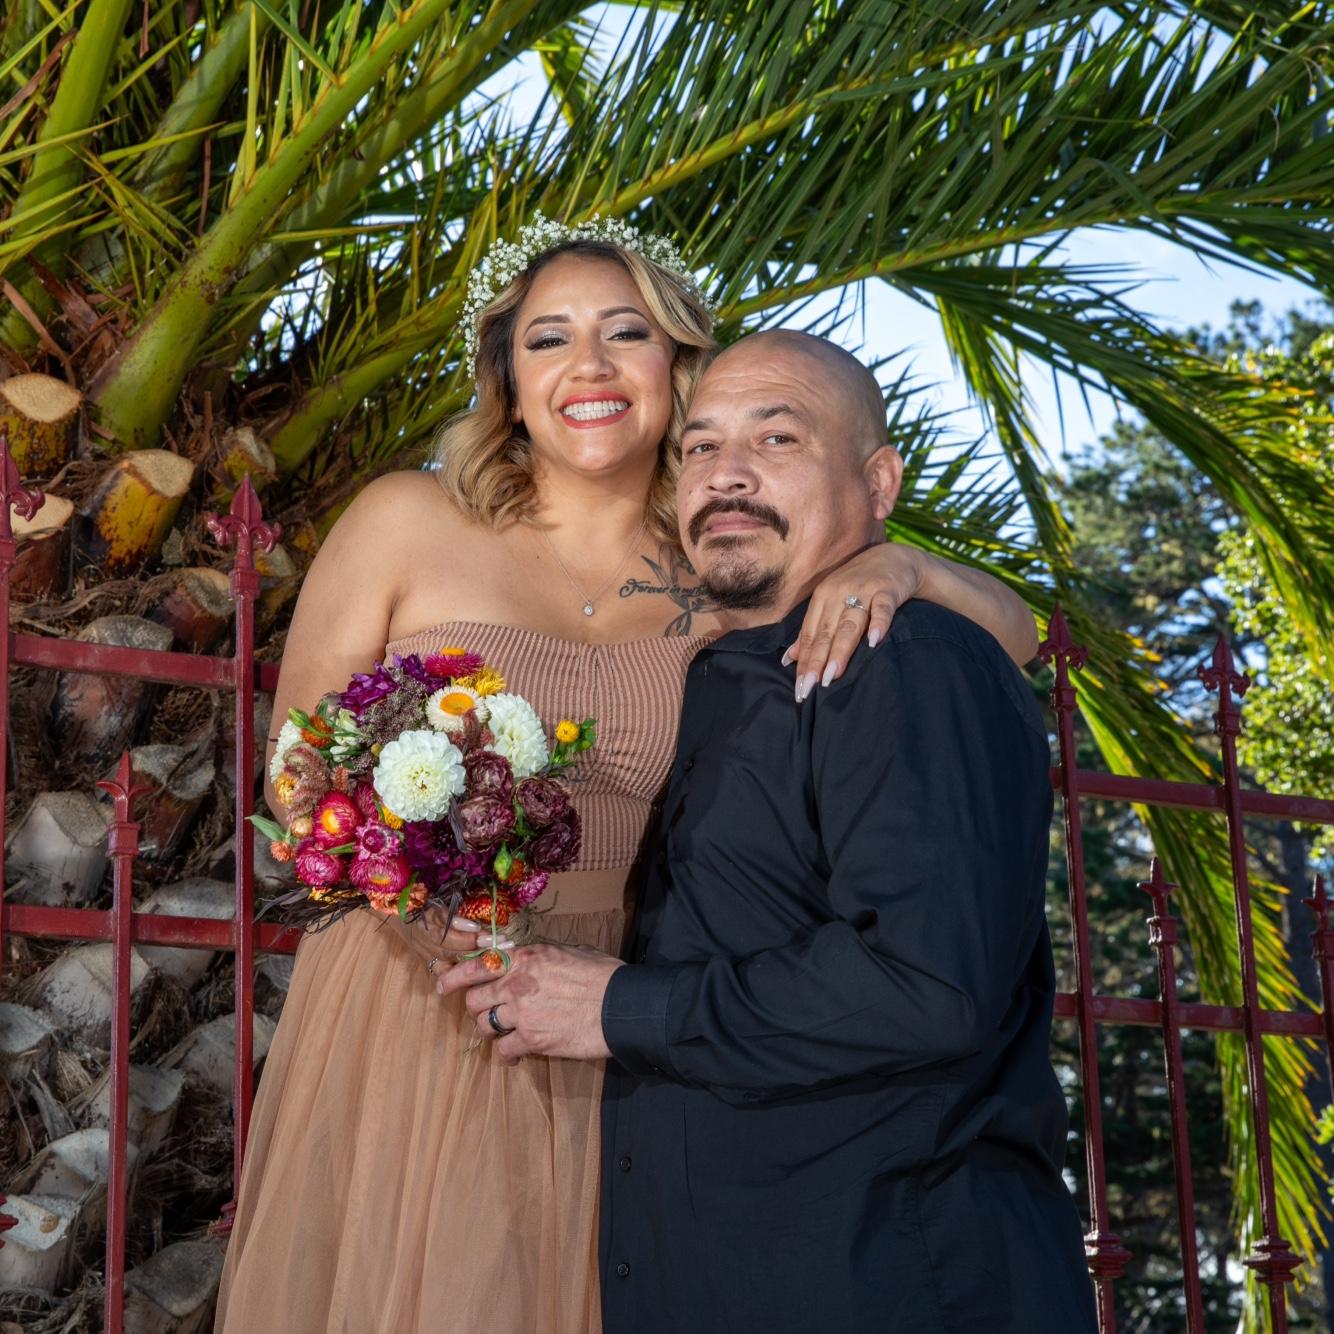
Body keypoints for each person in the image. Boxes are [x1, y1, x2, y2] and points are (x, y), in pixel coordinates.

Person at [215, 219, 1040, 1334]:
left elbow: (1016, 636)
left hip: (612, 1001)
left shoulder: (725, 560)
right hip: (410, 986)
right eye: (548, 338)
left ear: (674, 365)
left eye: (626, 333)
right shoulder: (406, 517)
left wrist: (901, 565)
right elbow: (297, 760)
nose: (589, 367)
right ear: (509, 380)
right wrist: (425, 910)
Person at [443, 330, 1096, 1332]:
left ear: (878, 483)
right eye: (700, 446)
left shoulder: (910, 663)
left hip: (885, 1285)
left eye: (776, 438)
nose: (727, 473)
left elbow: (926, 986)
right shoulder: (716, 677)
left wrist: (618, 1007)